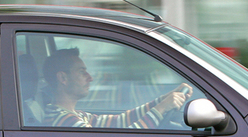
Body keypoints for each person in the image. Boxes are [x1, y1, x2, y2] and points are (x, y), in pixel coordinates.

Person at [41, 48, 192, 128]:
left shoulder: (75, 115)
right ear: (63, 78)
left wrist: (163, 100)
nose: (90, 77)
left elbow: (120, 121)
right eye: (82, 72)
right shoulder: (64, 120)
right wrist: (160, 109)